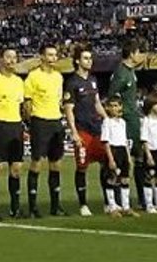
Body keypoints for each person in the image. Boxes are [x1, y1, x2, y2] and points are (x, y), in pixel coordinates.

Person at [64, 43, 107, 217]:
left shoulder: (93, 80)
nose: (90, 61)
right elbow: (68, 109)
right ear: (77, 61)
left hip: (97, 129)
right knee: (82, 167)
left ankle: (108, 200)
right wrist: (73, 132)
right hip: (82, 130)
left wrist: (108, 119)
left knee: (106, 163)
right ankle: (83, 204)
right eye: (86, 58)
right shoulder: (72, 82)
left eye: (90, 58)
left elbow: (97, 103)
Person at [23, 43, 65, 218]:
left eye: (55, 55)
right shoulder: (33, 77)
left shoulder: (58, 77)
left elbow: (59, 99)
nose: (53, 58)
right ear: (41, 57)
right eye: (49, 54)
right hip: (40, 121)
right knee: (37, 162)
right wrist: (31, 121)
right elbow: (27, 103)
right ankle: (33, 207)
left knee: (56, 164)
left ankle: (55, 206)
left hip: (56, 121)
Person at [0, 47, 25, 220]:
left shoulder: (18, 81)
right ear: (1, 59)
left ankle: (15, 208)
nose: (11, 60)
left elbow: (21, 105)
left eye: (14, 57)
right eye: (8, 57)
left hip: (15, 125)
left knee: (16, 168)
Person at [106, 38, 146, 207]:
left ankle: (141, 198)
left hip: (133, 120)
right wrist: (118, 119)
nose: (141, 56)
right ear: (131, 54)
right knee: (122, 159)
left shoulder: (130, 72)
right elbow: (112, 98)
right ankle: (115, 201)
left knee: (139, 157)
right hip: (125, 122)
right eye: (139, 52)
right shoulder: (121, 73)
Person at [100, 97, 137, 218]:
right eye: (112, 106)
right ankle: (112, 206)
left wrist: (128, 157)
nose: (114, 108)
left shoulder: (122, 122)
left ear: (121, 107)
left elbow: (125, 140)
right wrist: (110, 158)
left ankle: (125, 206)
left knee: (125, 179)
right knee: (111, 179)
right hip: (113, 150)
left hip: (122, 150)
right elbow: (105, 141)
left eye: (116, 106)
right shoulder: (107, 122)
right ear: (108, 108)